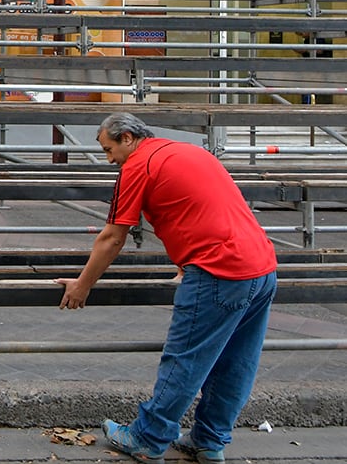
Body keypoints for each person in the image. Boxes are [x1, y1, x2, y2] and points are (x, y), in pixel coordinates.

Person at [56, 112, 277, 464]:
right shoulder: (188, 152)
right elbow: (200, 209)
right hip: (262, 268)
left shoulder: (137, 166)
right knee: (236, 361)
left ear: (127, 137)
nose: (108, 159)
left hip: (217, 270)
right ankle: (209, 441)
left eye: (108, 149)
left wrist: (82, 285)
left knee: (185, 360)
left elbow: (113, 238)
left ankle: (147, 437)